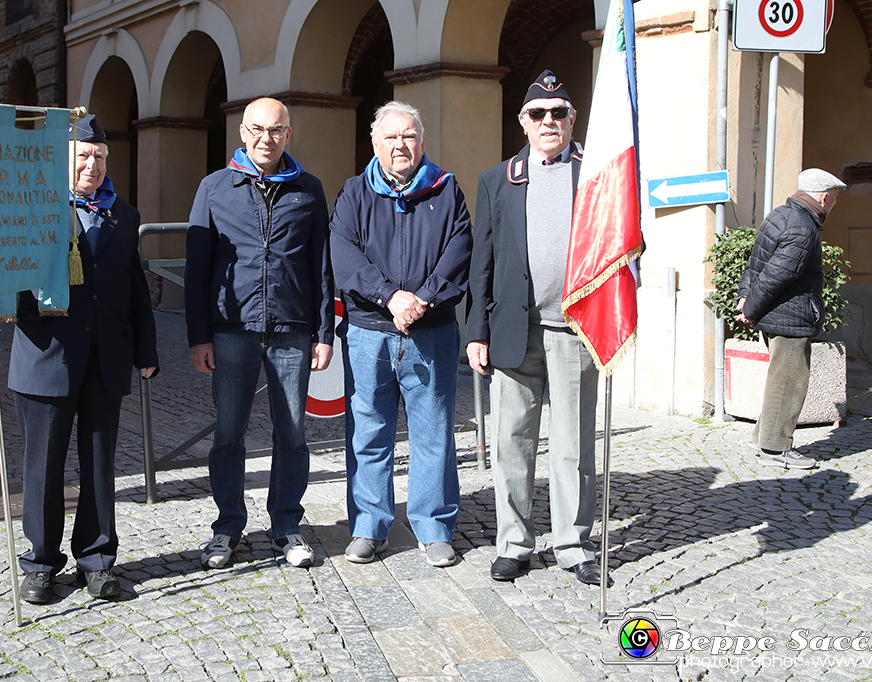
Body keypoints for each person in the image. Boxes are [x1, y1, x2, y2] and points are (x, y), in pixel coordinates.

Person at [8, 115, 159, 604]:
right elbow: (6, 280)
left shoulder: (124, 215)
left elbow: (135, 287)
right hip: (45, 356)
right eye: (81, 157)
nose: (90, 165)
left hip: (105, 357)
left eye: (98, 157)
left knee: (99, 466)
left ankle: (96, 560)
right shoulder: (29, 208)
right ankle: (41, 564)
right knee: (43, 467)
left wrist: (146, 348)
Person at [465, 70, 603, 585]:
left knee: (573, 446)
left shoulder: (597, 175)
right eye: (538, 114)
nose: (550, 122)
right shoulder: (498, 179)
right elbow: (483, 261)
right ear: (523, 123)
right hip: (512, 332)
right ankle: (514, 543)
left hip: (575, 332)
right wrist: (475, 332)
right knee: (512, 443)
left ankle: (572, 543)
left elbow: (623, 246)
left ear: (572, 121)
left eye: (559, 113)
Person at [185, 97, 333, 570]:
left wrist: (324, 332)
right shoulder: (213, 188)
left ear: (288, 134)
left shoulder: (309, 189)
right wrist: (197, 335)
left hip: (292, 330)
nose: (265, 139)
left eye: (276, 130)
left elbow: (321, 266)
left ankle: (286, 525)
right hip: (232, 331)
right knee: (229, 434)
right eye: (257, 129)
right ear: (242, 133)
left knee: (292, 435)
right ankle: (227, 527)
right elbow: (197, 268)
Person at [330, 101, 472, 568]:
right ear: (375, 144)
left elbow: (458, 251)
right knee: (369, 430)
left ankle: (433, 527)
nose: (400, 145)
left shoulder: (446, 190)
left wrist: (423, 299)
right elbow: (343, 254)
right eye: (390, 137)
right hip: (369, 330)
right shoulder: (354, 193)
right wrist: (390, 296)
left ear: (422, 141)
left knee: (433, 432)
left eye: (408, 136)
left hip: (430, 332)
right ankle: (370, 525)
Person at [736, 168, 849, 469]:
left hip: (777, 315)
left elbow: (755, 263)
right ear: (825, 197)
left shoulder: (780, 215)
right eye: (835, 198)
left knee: (779, 380)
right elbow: (777, 275)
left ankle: (761, 436)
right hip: (790, 316)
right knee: (789, 382)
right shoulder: (803, 226)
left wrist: (746, 298)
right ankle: (774, 449)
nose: (834, 203)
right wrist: (750, 308)